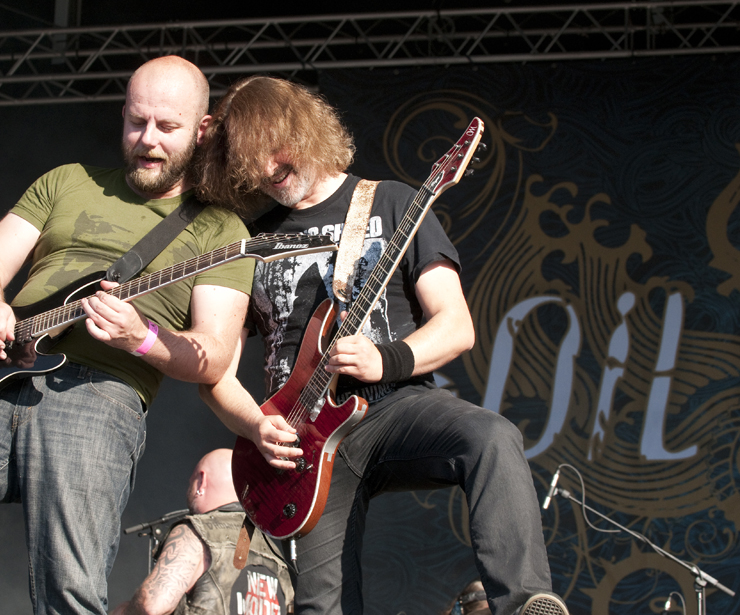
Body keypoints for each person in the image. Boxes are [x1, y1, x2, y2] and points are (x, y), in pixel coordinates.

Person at [0, 56, 254, 615]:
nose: (147, 140)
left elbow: (213, 355)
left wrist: (140, 338)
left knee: (68, 583)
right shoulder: (66, 182)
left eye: (167, 128)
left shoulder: (222, 229)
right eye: (136, 122)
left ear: (202, 130)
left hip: (100, 393)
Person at [194, 76, 569, 615]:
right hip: (299, 442)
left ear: (306, 132)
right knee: (324, 606)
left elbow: (456, 325)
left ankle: (523, 603)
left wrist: (384, 358)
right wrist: (255, 425)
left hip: (394, 406)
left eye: (277, 156)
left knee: (491, 436)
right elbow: (215, 371)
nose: (268, 174)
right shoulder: (251, 240)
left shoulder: (393, 203)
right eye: (252, 163)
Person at [111, 448, 294, 615]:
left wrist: (122, 612)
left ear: (201, 481)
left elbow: (151, 606)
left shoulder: (197, 532)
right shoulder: (277, 557)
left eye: (190, 482)